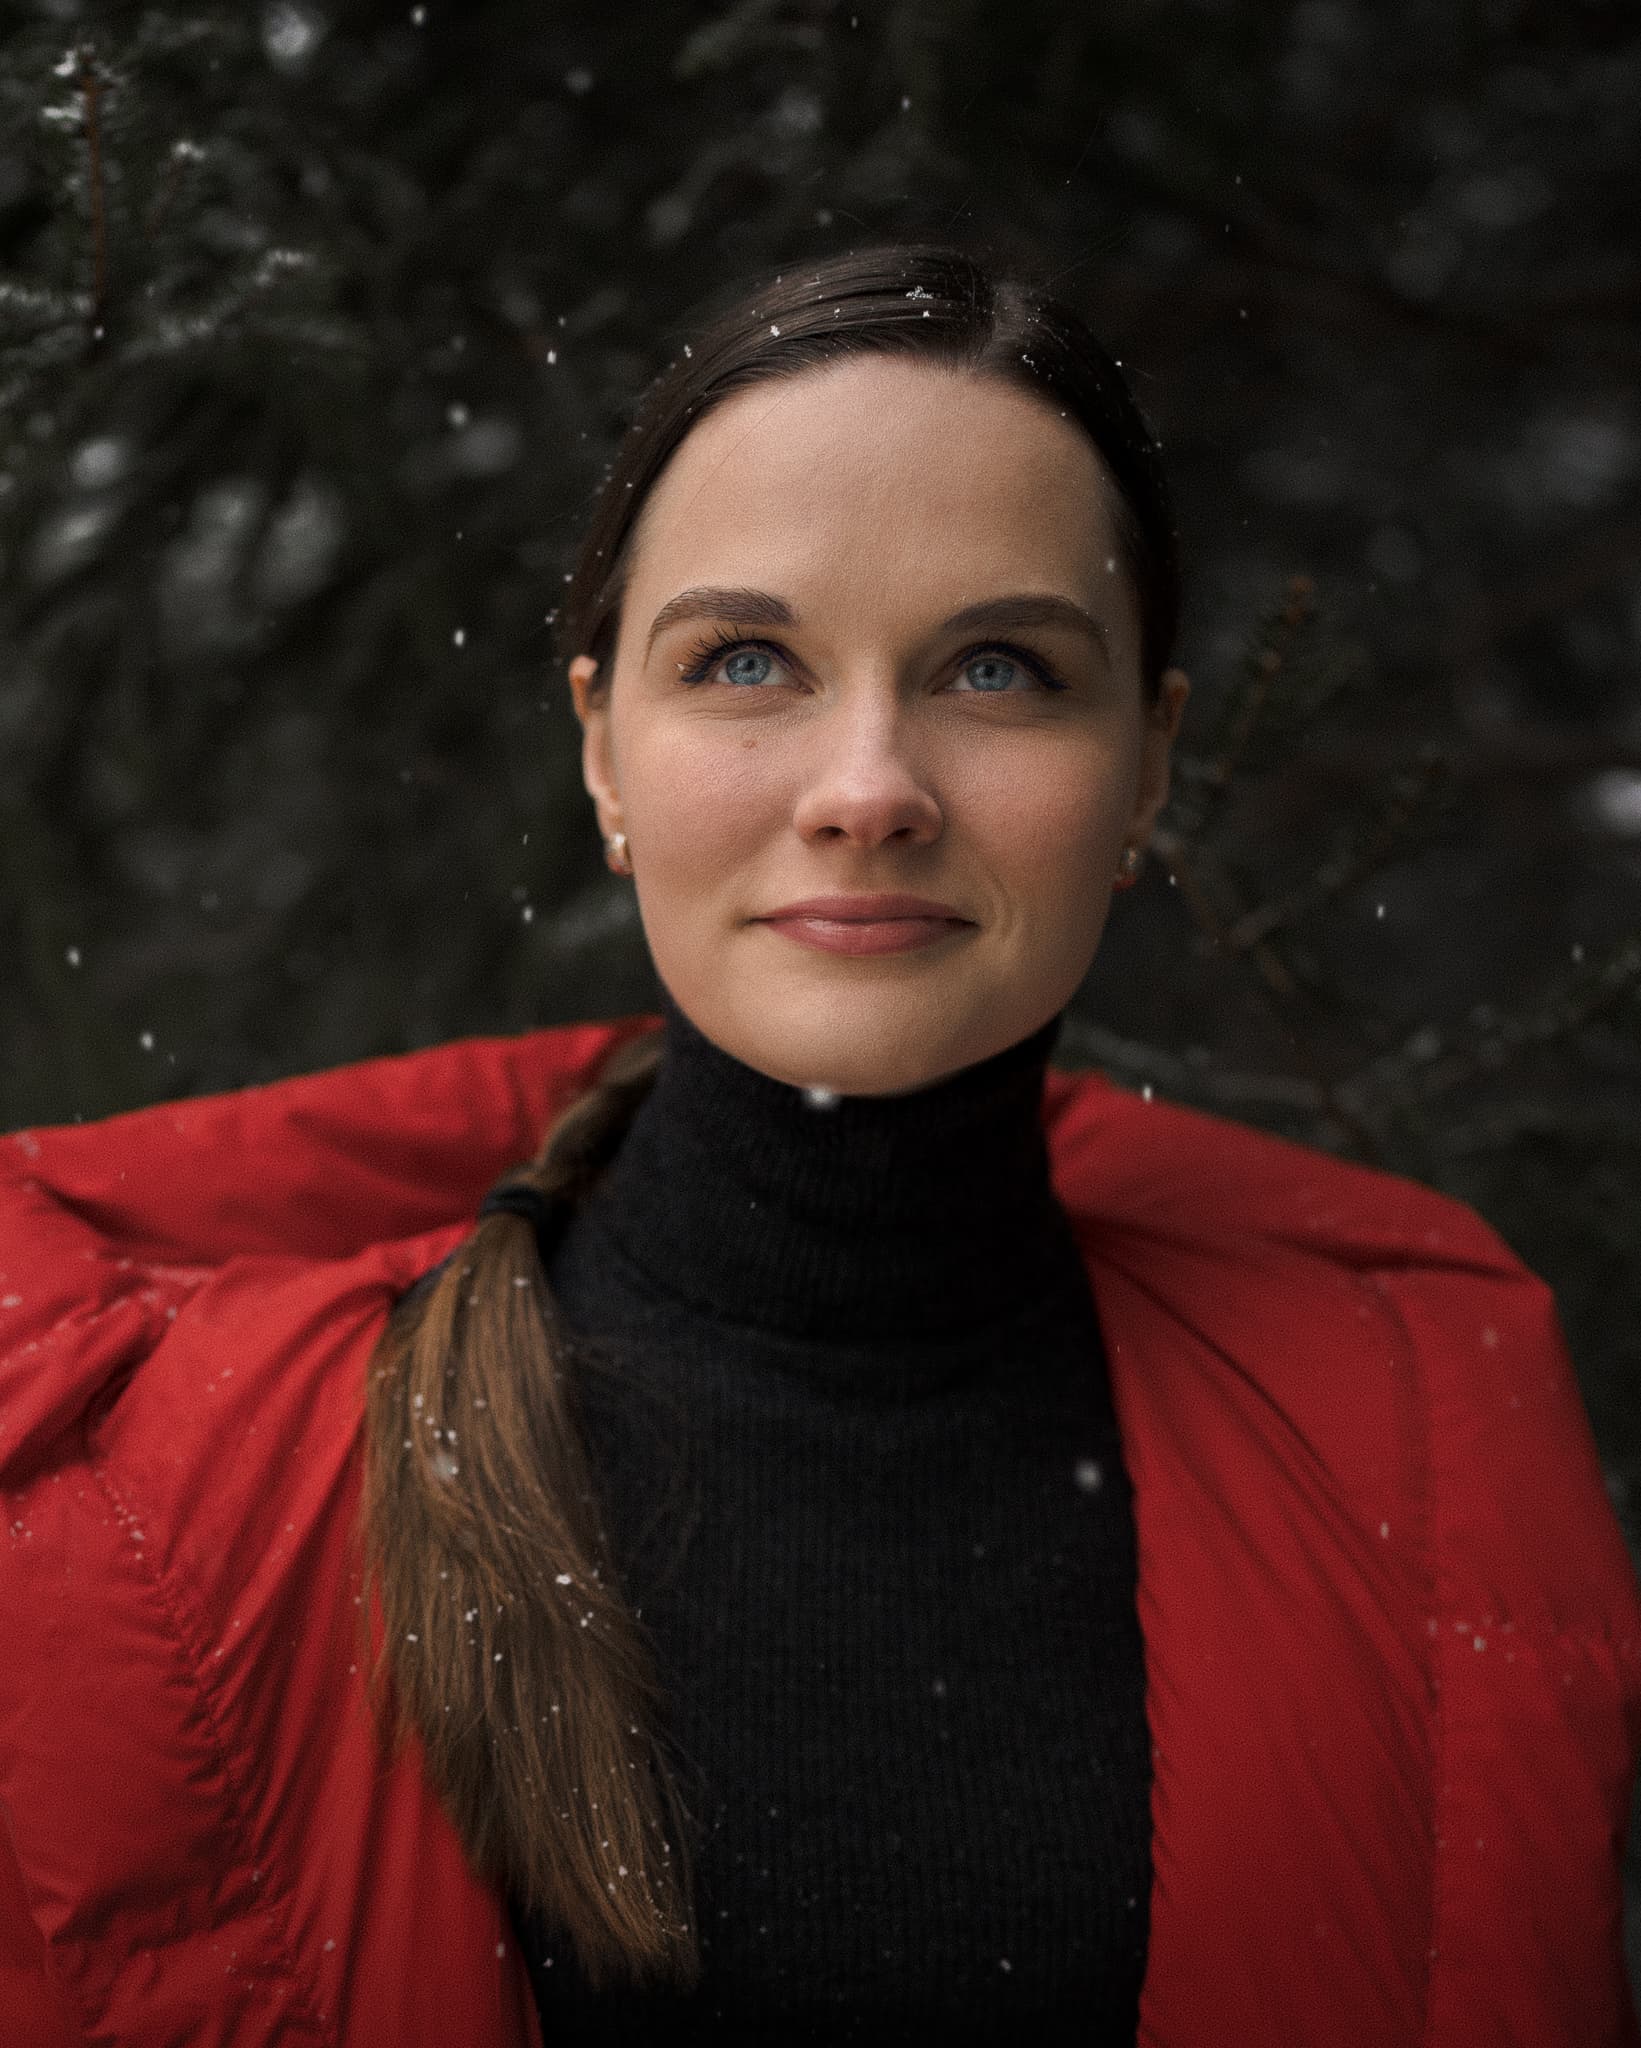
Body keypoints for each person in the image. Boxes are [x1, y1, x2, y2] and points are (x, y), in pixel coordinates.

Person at [2, 240, 1638, 2048]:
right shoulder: (151, 1493)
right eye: (749, 658)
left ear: (1147, 766)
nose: (868, 786)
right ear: (602, 750)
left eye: (999, 669)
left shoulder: (1423, 1431)